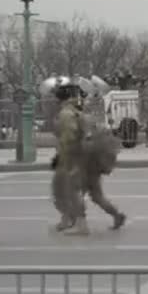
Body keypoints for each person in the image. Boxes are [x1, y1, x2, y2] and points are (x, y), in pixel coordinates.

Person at [51, 83, 89, 235]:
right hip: (77, 155)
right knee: (63, 189)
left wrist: (65, 158)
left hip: (70, 156)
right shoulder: (76, 111)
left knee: (68, 190)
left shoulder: (66, 113)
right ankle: (68, 218)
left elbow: (69, 137)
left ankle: (80, 224)